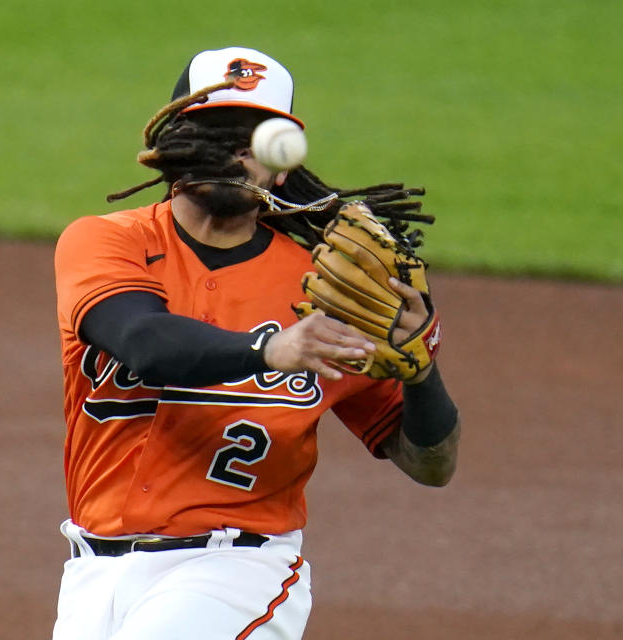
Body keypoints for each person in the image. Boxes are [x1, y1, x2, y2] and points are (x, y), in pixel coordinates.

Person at [51, 46, 461, 640]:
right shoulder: (104, 242)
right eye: (218, 134)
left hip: (235, 570)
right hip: (92, 579)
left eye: (257, 137)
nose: (238, 154)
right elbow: (143, 341)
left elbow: (430, 464)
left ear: (282, 165)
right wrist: (270, 351)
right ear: (176, 144)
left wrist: (422, 374)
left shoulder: (326, 290)